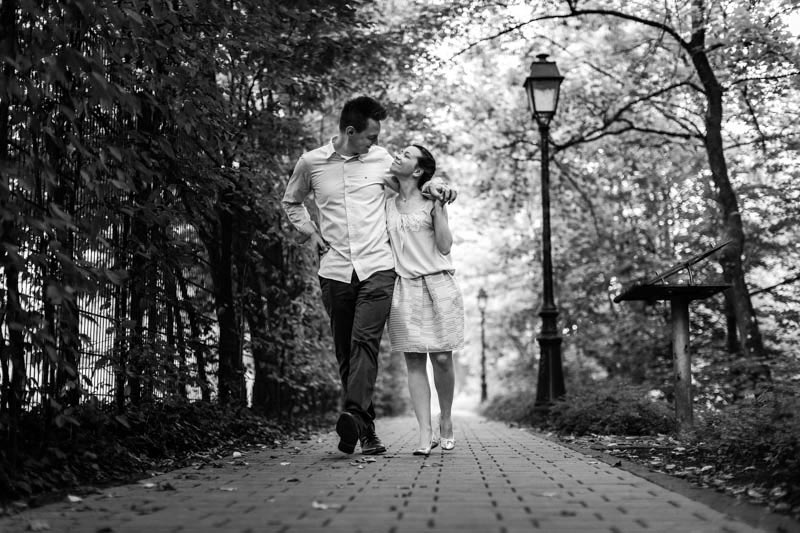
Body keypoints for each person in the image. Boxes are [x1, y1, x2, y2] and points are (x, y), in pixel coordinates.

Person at [282, 96, 455, 455]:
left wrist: (437, 190)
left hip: (378, 267)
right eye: (370, 136)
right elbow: (291, 201)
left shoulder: (380, 161)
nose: (376, 144)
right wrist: (310, 232)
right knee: (346, 352)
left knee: (365, 344)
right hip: (335, 270)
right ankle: (361, 430)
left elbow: (412, 188)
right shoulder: (311, 163)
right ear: (350, 131)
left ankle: (356, 419)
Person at [385, 144, 464, 456]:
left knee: (442, 358)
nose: (398, 155)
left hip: (438, 284)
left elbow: (444, 246)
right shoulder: (387, 201)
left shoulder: (433, 199)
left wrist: (440, 207)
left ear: (418, 170)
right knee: (414, 361)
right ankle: (424, 432)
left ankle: (445, 420)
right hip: (404, 287)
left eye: (406, 154)